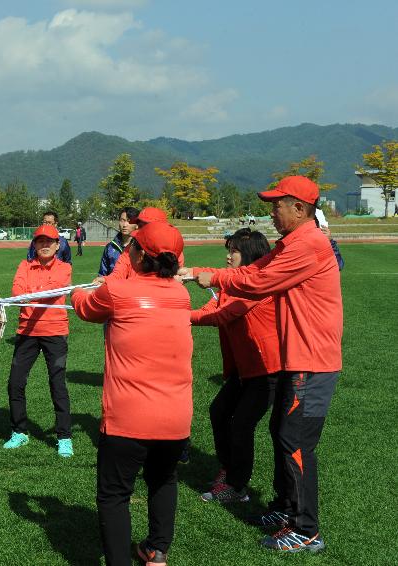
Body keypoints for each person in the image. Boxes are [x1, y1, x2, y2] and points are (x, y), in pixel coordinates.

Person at [186, 175, 343, 553]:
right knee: (282, 433)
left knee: (295, 442)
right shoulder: (291, 242)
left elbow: (260, 282)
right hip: (298, 358)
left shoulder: (309, 244)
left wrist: (214, 277)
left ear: (300, 209)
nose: (271, 211)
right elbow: (254, 271)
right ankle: (286, 508)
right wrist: (199, 273)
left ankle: (306, 530)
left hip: (311, 359)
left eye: (278, 205)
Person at [72, 221, 192, 566]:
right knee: (164, 479)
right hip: (175, 418)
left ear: (140, 254)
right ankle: (156, 551)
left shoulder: (117, 292)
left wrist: (84, 290)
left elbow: (85, 307)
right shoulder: (180, 294)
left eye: (133, 246)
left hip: (128, 418)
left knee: (114, 495)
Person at [190, 229, 280, 504]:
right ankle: (229, 470)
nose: (228, 257)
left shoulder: (256, 285)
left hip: (268, 370)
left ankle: (237, 487)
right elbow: (211, 307)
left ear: (250, 255)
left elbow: (222, 315)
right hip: (245, 370)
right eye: (228, 251)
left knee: (241, 423)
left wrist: (179, 317)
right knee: (219, 411)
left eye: (234, 252)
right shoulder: (234, 284)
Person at [3, 224, 74, 457]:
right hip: (27, 332)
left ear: (57, 245)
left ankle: (64, 437)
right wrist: (31, 292)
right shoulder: (24, 265)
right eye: (40, 241)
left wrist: (31, 292)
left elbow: (54, 289)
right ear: (34, 244)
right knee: (15, 382)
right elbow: (17, 292)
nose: (44, 245)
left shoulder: (64, 268)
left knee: (57, 384)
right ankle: (19, 432)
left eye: (49, 242)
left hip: (55, 332)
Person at [107, 207, 185, 281]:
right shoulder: (132, 246)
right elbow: (119, 271)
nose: (141, 230)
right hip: (134, 291)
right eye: (140, 226)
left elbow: (173, 275)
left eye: (146, 226)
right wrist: (106, 279)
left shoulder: (172, 251)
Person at [98, 207, 139, 277]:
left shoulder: (141, 248)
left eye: (129, 221)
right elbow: (102, 274)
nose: (125, 225)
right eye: (122, 220)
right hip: (113, 286)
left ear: (137, 225)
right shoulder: (110, 247)